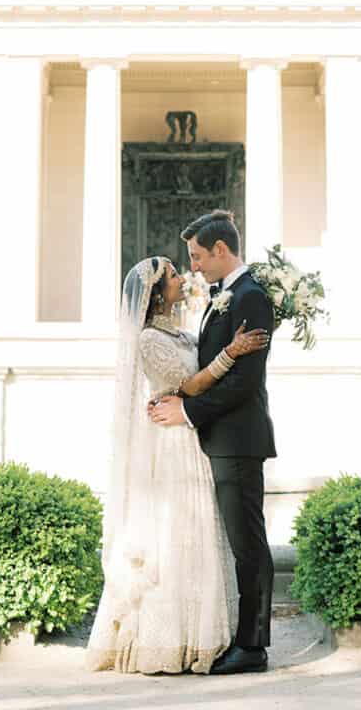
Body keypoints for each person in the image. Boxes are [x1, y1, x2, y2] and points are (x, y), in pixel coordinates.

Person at [85, 255, 269, 675]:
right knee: (173, 536)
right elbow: (188, 384)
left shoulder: (182, 332)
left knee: (198, 534)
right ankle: (165, 641)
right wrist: (233, 352)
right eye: (172, 274)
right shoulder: (149, 338)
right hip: (170, 447)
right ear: (155, 292)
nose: (181, 277)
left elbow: (198, 372)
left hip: (193, 439)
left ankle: (200, 636)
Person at [149, 209, 276, 675]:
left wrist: (185, 411)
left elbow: (244, 384)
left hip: (239, 439)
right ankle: (244, 640)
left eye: (199, 256)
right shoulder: (226, 296)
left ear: (221, 250)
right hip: (220, 439)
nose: (195, 267)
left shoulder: (250, 298)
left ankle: (253, 647)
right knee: (241, 542)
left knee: (249, 543)